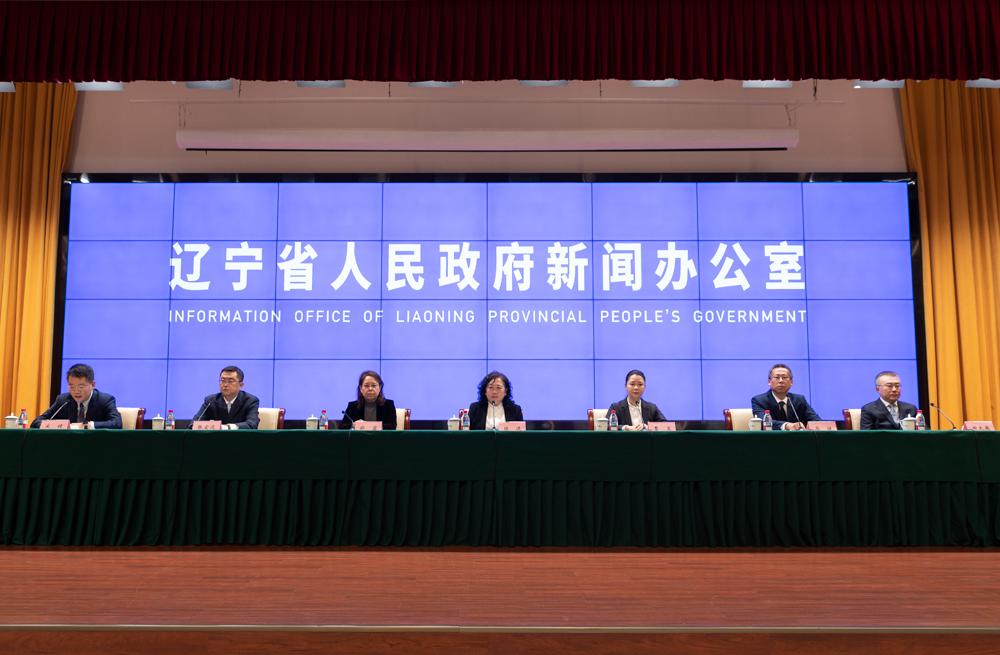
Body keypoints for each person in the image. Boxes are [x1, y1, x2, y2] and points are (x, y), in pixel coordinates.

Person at [31, 363, 122, 429]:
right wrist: (63, 426)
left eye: (81, 386)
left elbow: (117, 423)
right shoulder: (63, 400)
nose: (76, 391)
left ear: (93, 384)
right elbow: (36, 422)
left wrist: (87, 425)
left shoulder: (105, 400)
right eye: (71, 386)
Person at [750, 363, 821, 430]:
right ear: (769, 381)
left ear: (791, 382)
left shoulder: (799, 400)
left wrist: (820, 425)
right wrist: (786, 425)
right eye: (777, 377)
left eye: (784, 377)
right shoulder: (759, 400)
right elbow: (761, 421)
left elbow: (815, 420)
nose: (781, 381)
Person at [191, 365, 260, 430]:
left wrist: (226, 427)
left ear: (241, 385)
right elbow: (193, 424)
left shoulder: (250, 401)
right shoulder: (210, 400)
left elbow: (252, 424)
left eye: (230, 381)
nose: (225, 385)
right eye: (222, 380)